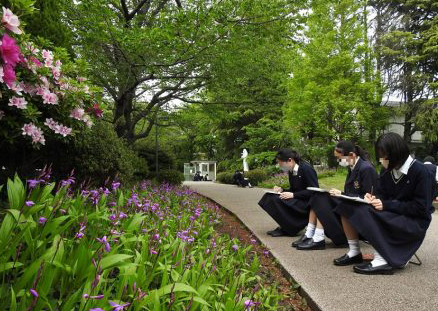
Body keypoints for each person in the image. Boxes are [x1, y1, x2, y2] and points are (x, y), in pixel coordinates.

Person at [333, 132, 432, 275]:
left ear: (397, 154)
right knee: (346, 206)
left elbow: (420, 208)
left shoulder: (421, 171)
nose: (382, 160)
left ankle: (382, 260)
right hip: (393, 212)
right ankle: (354, 252)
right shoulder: (388, 169)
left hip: (414, 220)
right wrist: (373, 197)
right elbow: (382, 194)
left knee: (364, 212)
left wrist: (386, 205)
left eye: (385, 156)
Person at [294, 141, 378, 250]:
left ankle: (318, 238)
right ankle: (311, 234)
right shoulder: (352, 166)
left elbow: (368, 198)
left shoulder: (366, 169)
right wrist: (340, 194)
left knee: (321, 198)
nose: (338, 161)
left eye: (339, 158)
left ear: (352, 155)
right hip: (350, 206)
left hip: (359, 214)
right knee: (317, 195)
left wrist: (342, 194)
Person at [258, 149, 319, 237]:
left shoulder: (306, 169)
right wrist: (282, 190)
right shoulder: (291, 170)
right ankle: (285, 226)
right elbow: (294, 189)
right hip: (298, 198)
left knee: (275, 200)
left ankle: (289, 228)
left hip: (307, 203)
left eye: (280, 163)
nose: (280, 166)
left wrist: (294, 195)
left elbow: (314, 190)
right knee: (269, 197)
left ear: (290, 160)